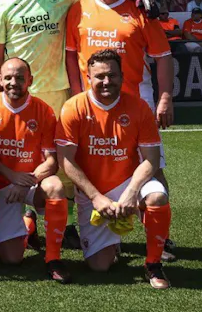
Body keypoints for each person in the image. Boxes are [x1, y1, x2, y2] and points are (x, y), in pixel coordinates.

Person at [0, 0, 91, 246]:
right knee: (19, 158)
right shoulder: (2, 2)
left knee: (62, 160)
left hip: (58, 92)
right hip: (19, 96)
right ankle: (26, 219)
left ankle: (67, 223)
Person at [55, 49, 172, 289]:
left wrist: (131, 192)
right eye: (100, 76)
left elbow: (150, 159)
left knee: (157, 196)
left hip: (130, 181)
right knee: (99, 266)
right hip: (94, 190)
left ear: (122, 76)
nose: (106, 81)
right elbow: (66, 161)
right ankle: (112, 245)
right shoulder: (73, 107)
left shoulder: (139, 107)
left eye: (112, 75)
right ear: (88, 77)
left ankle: (153, 263)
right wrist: (96, 197)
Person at [0, 58, 71, 283]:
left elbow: (51, 161)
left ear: (30, 80)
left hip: (30, 182)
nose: (13, 82)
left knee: (55, 187)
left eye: (20, 77)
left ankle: (53, 258)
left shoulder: (44, 111)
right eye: (8, 77)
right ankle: (27, 227)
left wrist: (23, 182)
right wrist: (11, 177)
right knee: (12, 260)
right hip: (0, 185)